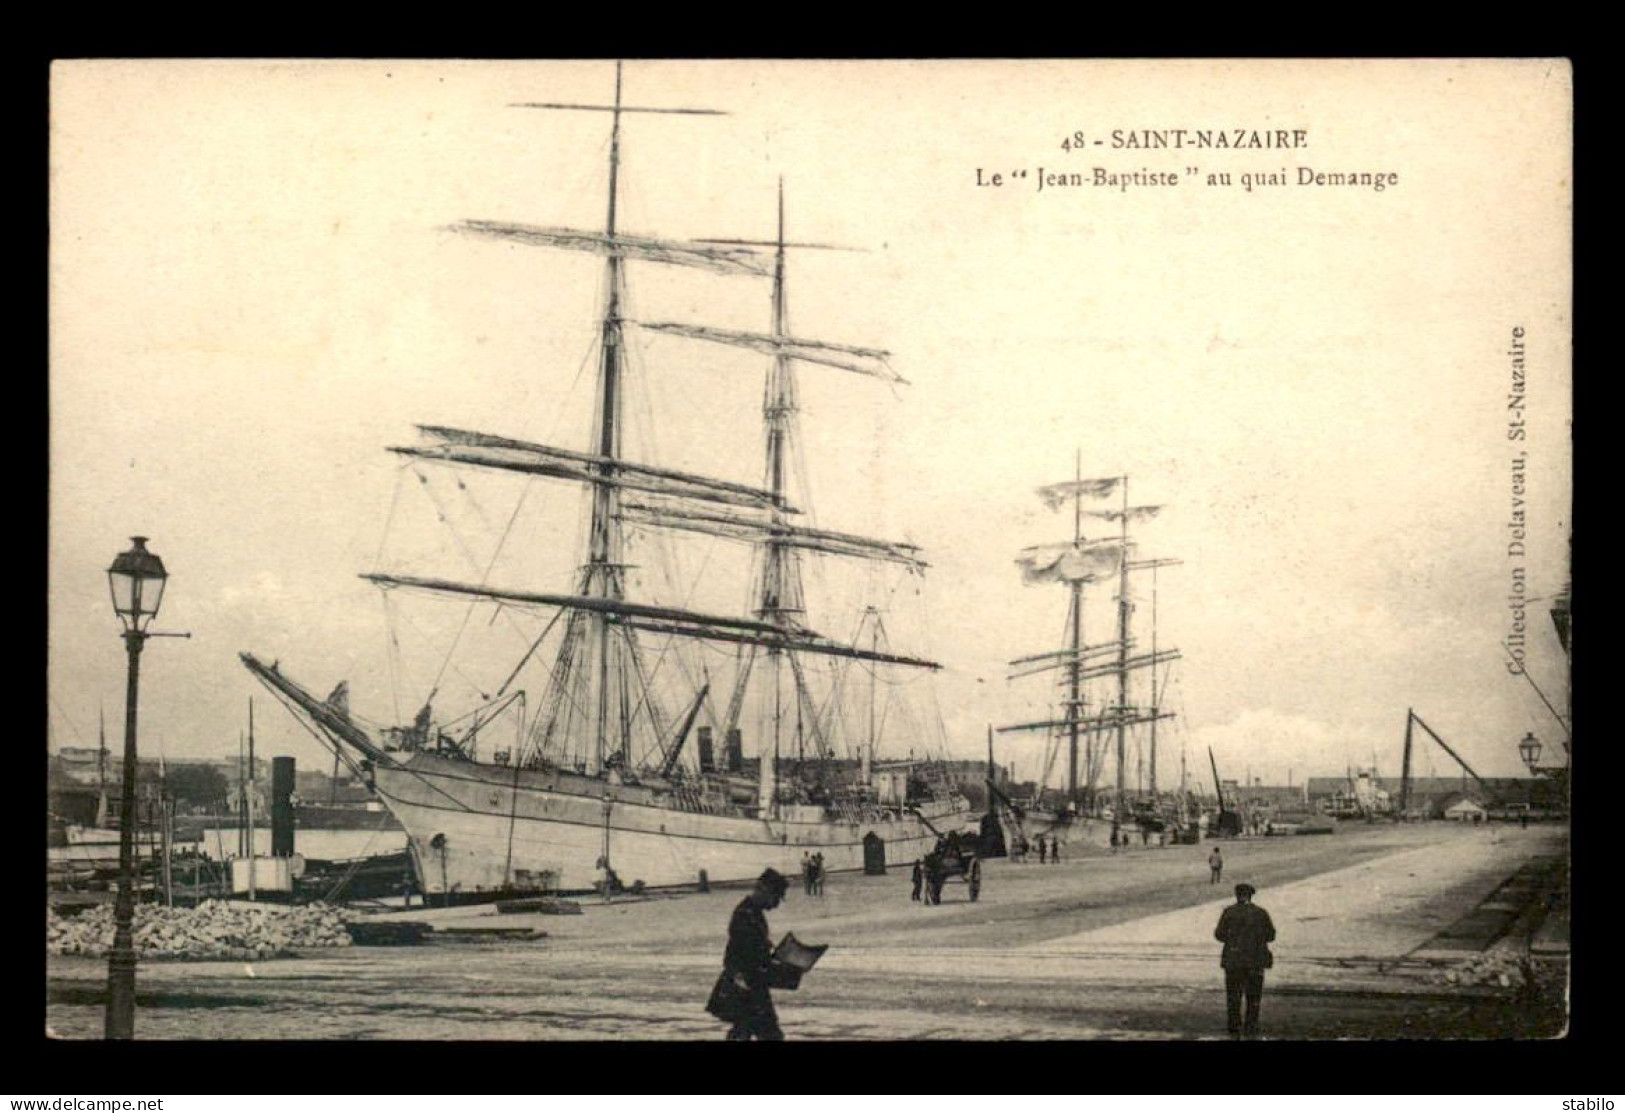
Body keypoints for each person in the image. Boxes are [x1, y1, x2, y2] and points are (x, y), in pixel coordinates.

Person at [706, 867, 790, 1040]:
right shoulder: (746, 915)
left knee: (744, 1030)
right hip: (748, 985)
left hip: (748, 984)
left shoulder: (751, 913)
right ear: (765, 890)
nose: (776, 904)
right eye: (776, 898)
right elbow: (746, 954)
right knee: (768, 1033)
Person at [1214, 882, 1276, 1039]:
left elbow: (1219, 934)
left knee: (1233, 995)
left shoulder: (1229, 912)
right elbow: (1271, 935)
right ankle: (1251, 1024)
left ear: (1237, 895)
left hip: (1233, 960)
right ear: (1251, 895)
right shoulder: (1261, 913)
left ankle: (1234, 1025)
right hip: (1255, 960)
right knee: (1254, 996)